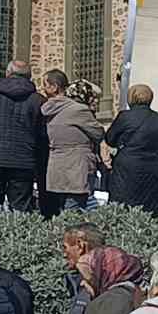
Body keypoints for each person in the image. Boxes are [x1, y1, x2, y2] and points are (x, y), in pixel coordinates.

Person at [0, 60, 45, 213]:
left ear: (7, 73)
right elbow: (42, 133)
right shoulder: (37, 100)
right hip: (23, 161)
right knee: (20, 210)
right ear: (29, 77)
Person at [40, 69, 104, 215]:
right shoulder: (78, 110)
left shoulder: (46, 110)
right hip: (76, 168)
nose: (42, 88)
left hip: (56, 167)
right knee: (74, 212)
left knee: (60, 210)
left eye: (44, 84)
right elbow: (98, 133)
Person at [105, 84, 158, 216]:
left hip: (129, 169)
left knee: (126, 207)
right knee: (151, 208)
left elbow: (110, 139)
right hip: (155, 167)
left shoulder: (125, 117)